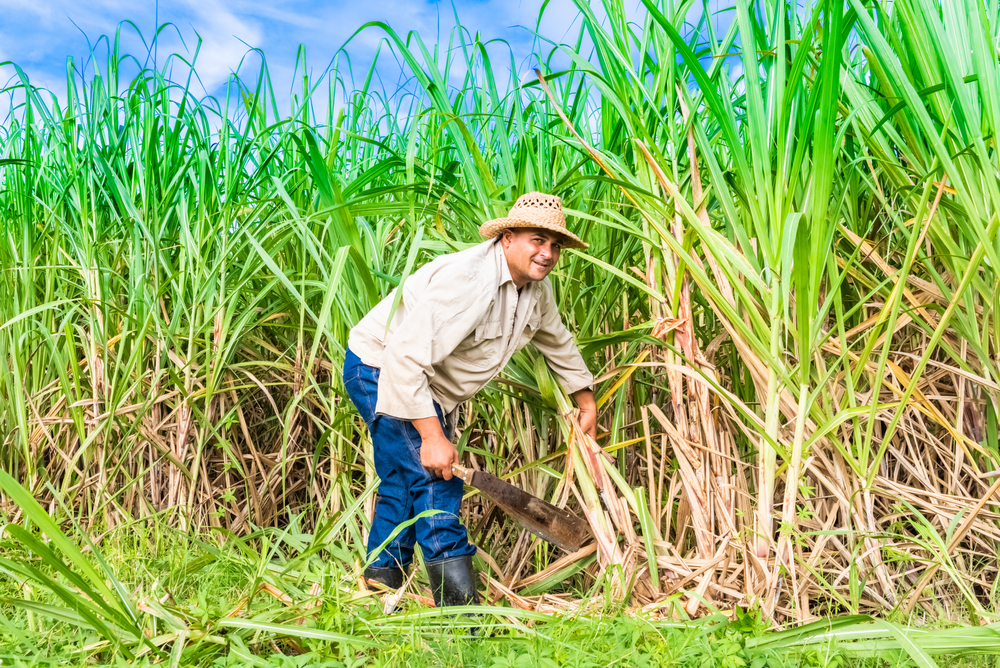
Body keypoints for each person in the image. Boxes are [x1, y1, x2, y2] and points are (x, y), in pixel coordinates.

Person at [342, 192, 596, 608]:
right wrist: (432, 437)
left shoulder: (535, 291)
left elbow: (558, 342)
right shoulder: (468, 280)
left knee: (401, 484)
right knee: (435, 480)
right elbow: (404, 357)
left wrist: (586, 401)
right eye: (537, 240)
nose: (547, 253)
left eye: (555, 245)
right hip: (380, 369)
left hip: (428, 386)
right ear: (508, 238)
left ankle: (378, 593)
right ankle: (461, 616)